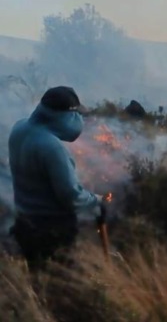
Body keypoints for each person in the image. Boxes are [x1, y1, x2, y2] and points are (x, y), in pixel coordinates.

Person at [7, 86, 104, 268]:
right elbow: (71, 197)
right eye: (75, 115)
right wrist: (96, 200)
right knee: (59, 280)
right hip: (51, 229)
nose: (78, 120)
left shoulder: (19, 128)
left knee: (35, 275)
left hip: (23, 221)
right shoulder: (52, 147)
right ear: (63, 116)